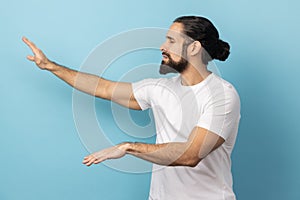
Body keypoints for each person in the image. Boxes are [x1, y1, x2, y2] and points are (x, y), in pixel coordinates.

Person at [23, 16, 240, 200]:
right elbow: (104, 88)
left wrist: (128, 147)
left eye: (172, 41)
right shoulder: (160, 88)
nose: (163, 46)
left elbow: (191, 154)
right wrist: (51, 66)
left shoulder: (222, 95)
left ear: (194, 47)